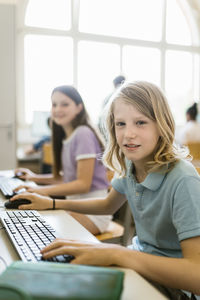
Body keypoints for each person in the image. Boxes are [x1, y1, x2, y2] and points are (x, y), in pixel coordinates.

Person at [12, 81, 200, 298]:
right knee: (64, 277)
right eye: (120, 124)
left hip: (175, 288)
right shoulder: (133, 164)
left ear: (161, 125)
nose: (128, 134)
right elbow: (108, 204)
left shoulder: (183, 179)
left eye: (140, 122)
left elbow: (195, 275)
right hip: (138, 262)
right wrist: (52, 203)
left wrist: (117, 254)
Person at [14, 85, 111, 235]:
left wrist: (38, 190)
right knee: (33, 223)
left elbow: (82, 185)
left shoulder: (83, 134)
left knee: (39, 229)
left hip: (92, 213)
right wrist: (33, 177)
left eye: (65, 104)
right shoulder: (67, 137)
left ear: (79, 107)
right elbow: (66, 179)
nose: (58, 109)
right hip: (76, 207)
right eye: (54, 104)